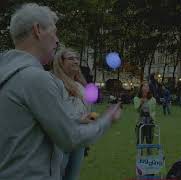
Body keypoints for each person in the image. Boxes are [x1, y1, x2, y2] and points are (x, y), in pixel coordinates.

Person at [0, 3, 121, 180]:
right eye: (54, 32)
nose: (57, 40)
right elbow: (70, 137)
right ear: (37, 30)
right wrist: (107, 120)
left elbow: (29, 127)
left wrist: (75, 119)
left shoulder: (7, 73)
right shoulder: (35, 78)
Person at [52, 48, 90, 180]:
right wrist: (79, 119)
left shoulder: (80, 86)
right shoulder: (56, 84)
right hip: (62, 140)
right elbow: (54, 114)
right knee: (58, 175)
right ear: (61, 62)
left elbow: (85, 110)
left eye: (76, 58)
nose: (75, 61)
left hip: (79, 139)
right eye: (70, 58)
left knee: (73, 176)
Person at [134, 82, 156, 154]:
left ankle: (149, 160)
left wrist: (152, 118)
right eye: (144, 86)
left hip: (150, 122)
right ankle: (140, 159)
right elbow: (137, 110)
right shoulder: (137, 98)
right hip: (140, 122)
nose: (146, 88)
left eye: (147, 87)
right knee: (140, 141)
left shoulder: (153, 99)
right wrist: (141, 103)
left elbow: (153, 111)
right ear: (141, 88)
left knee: (149, 141)